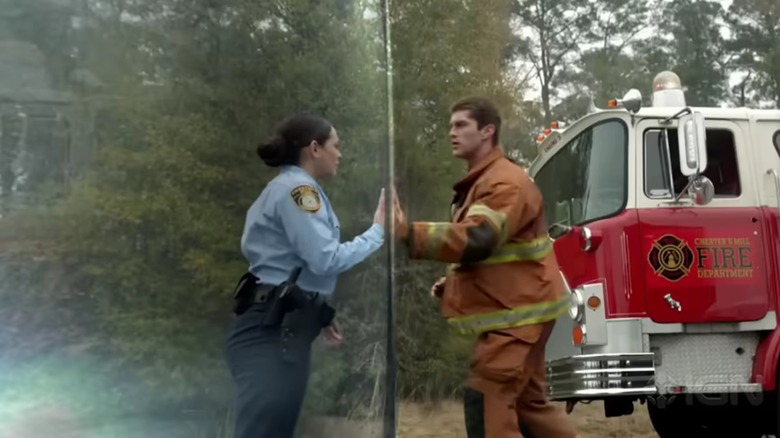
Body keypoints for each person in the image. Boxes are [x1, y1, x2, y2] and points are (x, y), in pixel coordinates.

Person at [392, 97, 578, 438]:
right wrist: (453, 284)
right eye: (451, 125)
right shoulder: (486, 180)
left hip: (519, 314)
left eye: (461, 125)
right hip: (524, 308)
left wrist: (409, 234)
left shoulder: (504, 182)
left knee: (488, 395)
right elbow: (502, 254)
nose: (452, 132)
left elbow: (479, 237)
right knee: (528, 405)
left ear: (487, 131)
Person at [224, 112, 386, 438]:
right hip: (271, 335)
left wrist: (318, 312)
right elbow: (325, 258)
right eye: (335, 146)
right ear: (314, 148)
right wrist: (378, 232)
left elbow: (287, 265)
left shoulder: (285, 187)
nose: (339, 154)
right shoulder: (299, 190)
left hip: (274, 328)